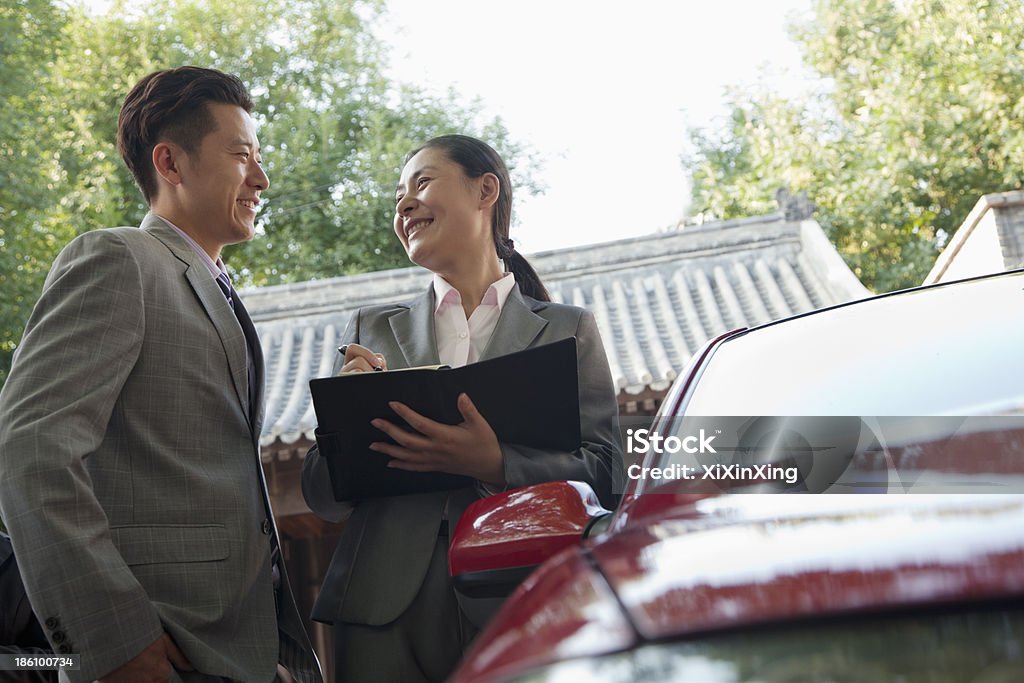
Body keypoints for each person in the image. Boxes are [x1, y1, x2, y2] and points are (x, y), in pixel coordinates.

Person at [0, 66, 321, 683]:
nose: (261, 178)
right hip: (154, 651)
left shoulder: (214, 286)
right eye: (241, 156)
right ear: (170, 164)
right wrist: (114, 643)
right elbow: (32, 451)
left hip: (234, 653)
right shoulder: (119, 260)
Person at [302, 134, 622, 683]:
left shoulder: (568, 330)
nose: (403, 205)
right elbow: (320, 494)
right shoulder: (370, 331)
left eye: (422, 183)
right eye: (398, 195)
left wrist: (496, 462)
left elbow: (608, 473)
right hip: (382, 613)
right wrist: (345, 421)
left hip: (525, 599)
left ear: (485, 191)